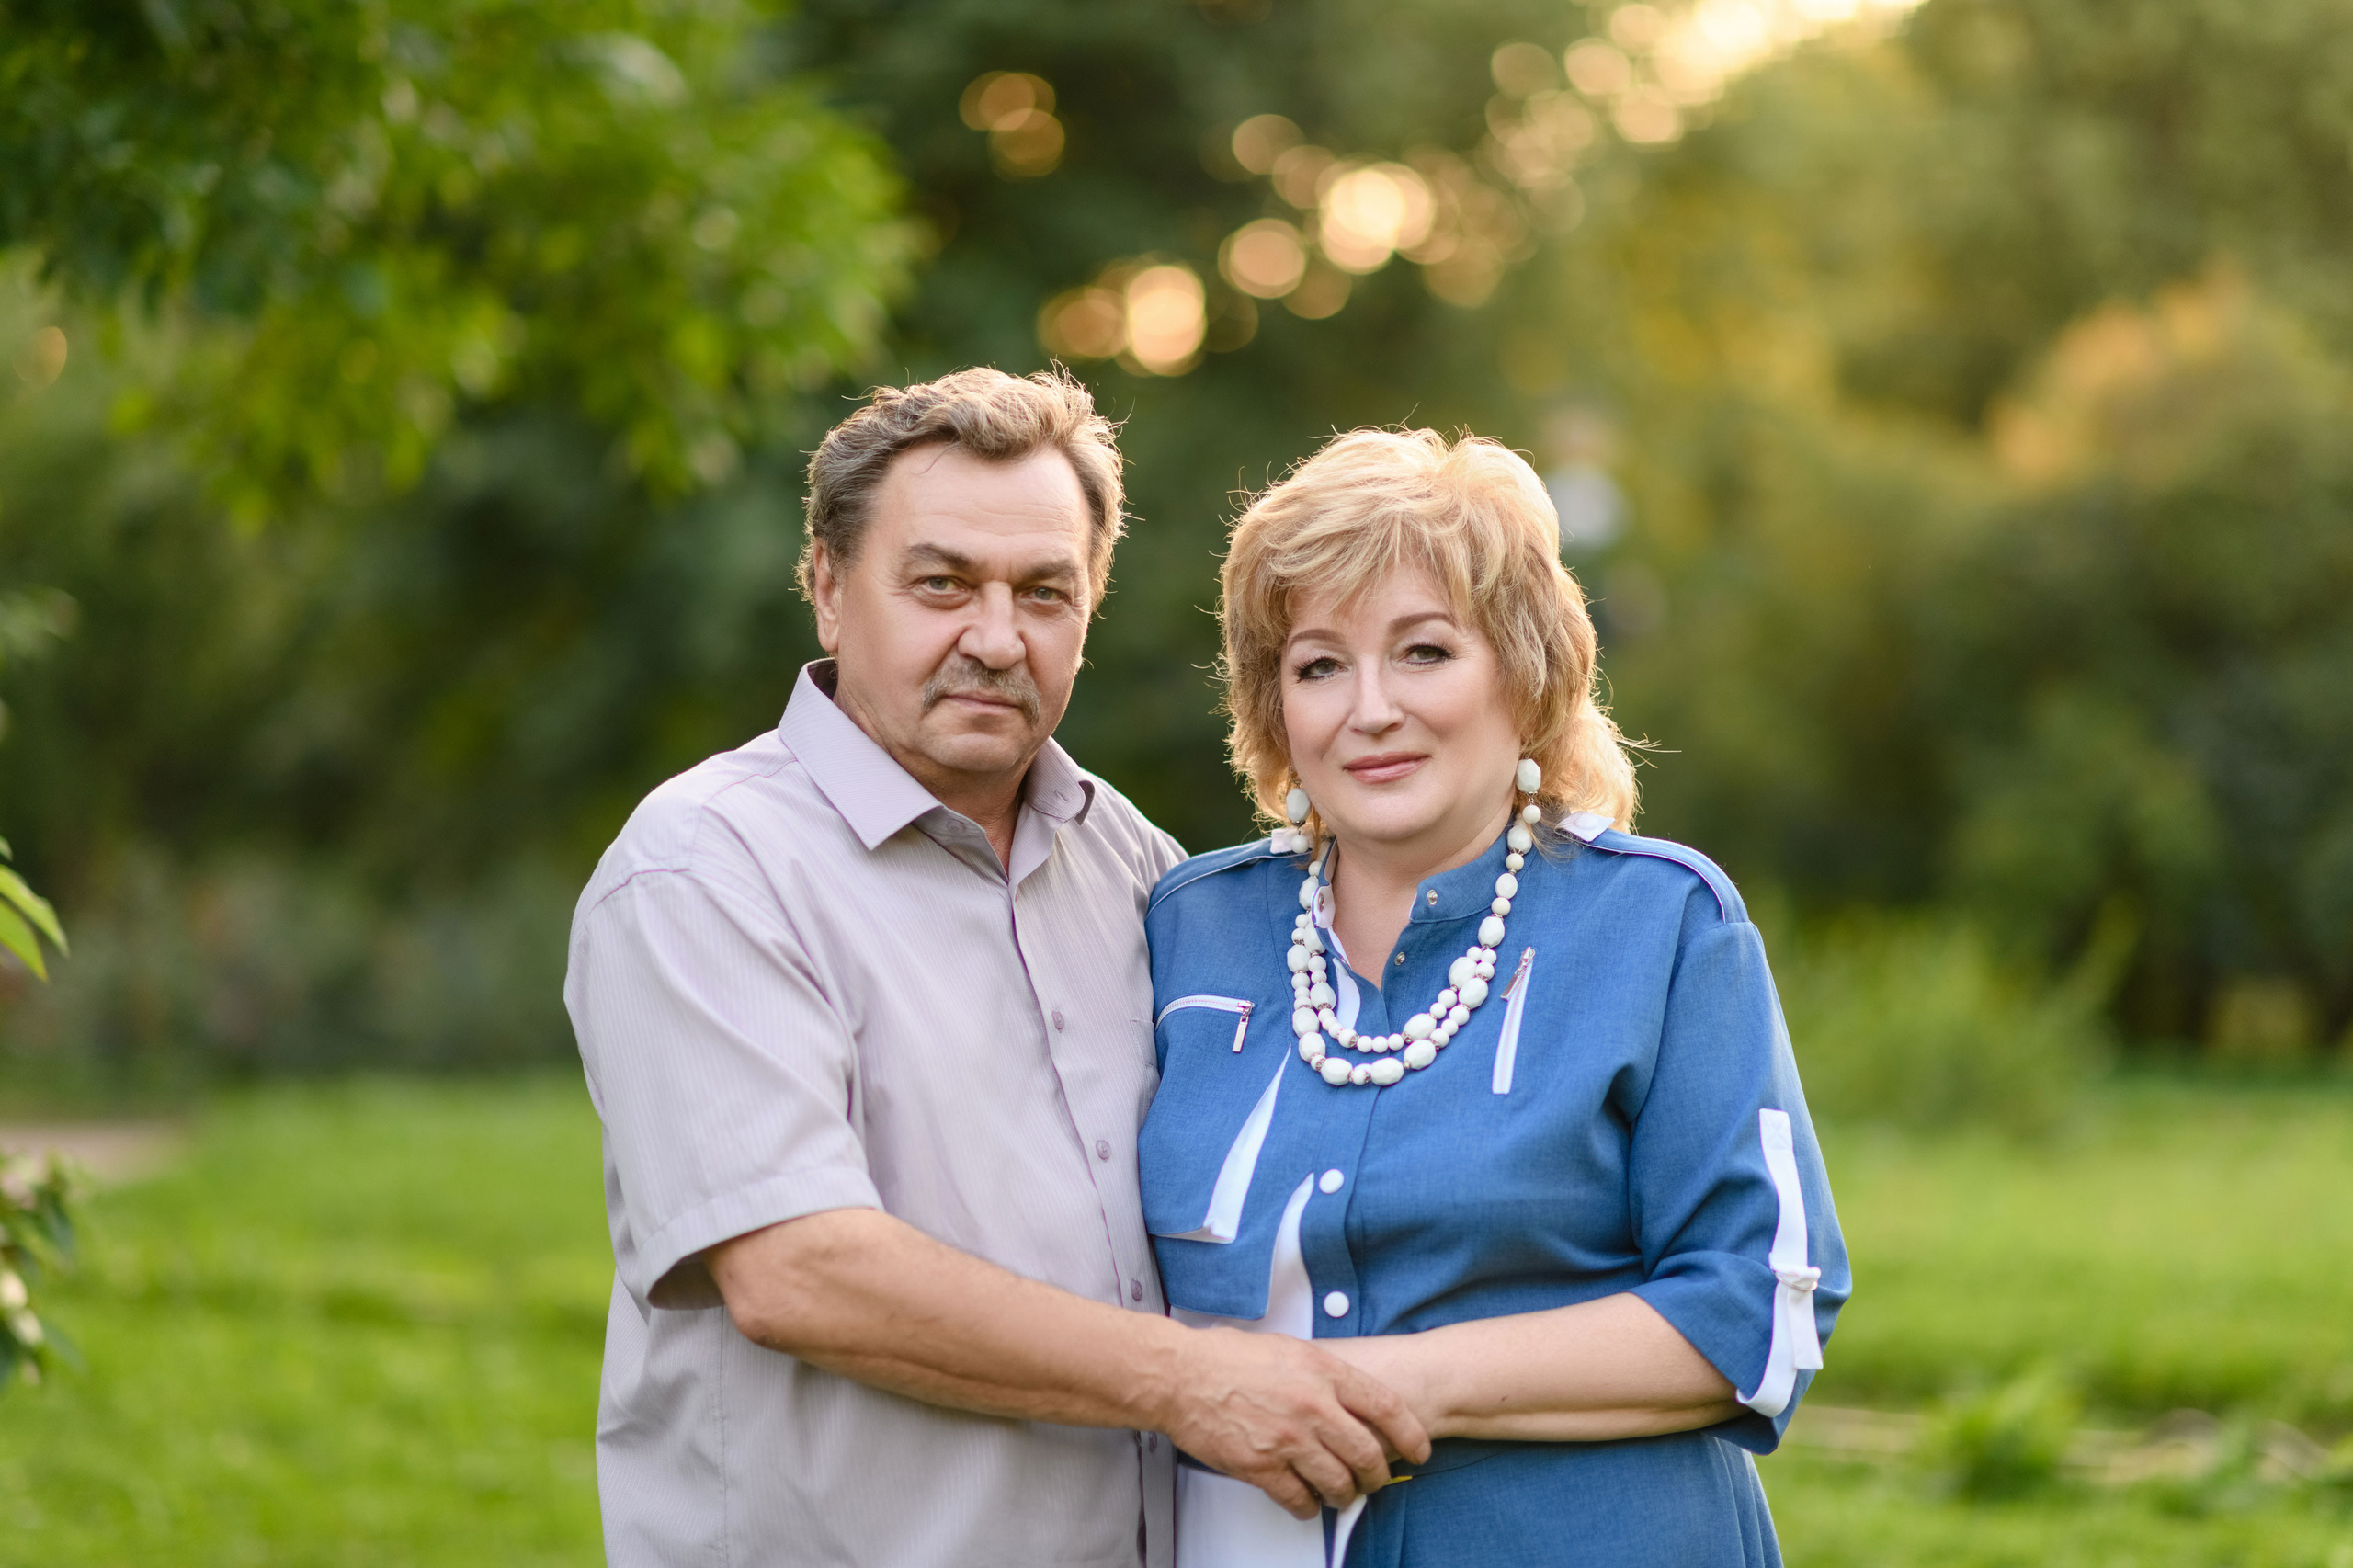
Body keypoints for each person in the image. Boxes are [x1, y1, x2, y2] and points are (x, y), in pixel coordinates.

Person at [563, 369, 1427, 1568]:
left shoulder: (1141, 868)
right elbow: (796, 1268)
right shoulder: (706, 867)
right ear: (826, 587)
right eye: (941, 583)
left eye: (1043, 592)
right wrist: (1188, 1381)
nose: (993, 636)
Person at [1139, 428, 1849, 1567]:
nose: (1368, 707)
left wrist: (1379, 1383)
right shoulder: (1187, 926)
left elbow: (1755, 1306)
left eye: (1422, 652)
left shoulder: (1660, 923)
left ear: (1523, 672)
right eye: (1318, 664)